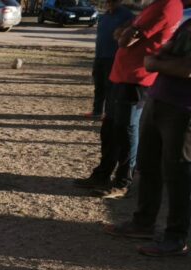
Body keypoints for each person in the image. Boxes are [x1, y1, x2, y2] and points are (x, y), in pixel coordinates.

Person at [73, 0, 183, 196]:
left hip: (136, 79)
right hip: (121, 75)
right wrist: (127, 31)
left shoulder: (166, 6)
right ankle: (102, 174)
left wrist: (126, 31)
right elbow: (123, 33)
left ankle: (123, 181)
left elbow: (124, 40)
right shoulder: (153, 6)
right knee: (110, 128)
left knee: (126, 131)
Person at [104, 13, 191, 256]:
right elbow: (165, 50)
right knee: (148, 165)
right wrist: (162, 58)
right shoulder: (187, 23)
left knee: (178, 174)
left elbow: (186, 69)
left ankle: (176, 237)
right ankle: (143, 223)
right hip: (160, 99)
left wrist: (156, 64)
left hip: (184, 110)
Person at [89, 0, 134, 118]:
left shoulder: (127, 15)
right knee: (98, 85)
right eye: (108, 2)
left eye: (113, 2)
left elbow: (133, 32)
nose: (110, 4)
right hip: (99, 56)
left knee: (110, 87)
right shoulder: (104, 16)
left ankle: (109, 114)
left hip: (113, 57)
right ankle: (97, 111)